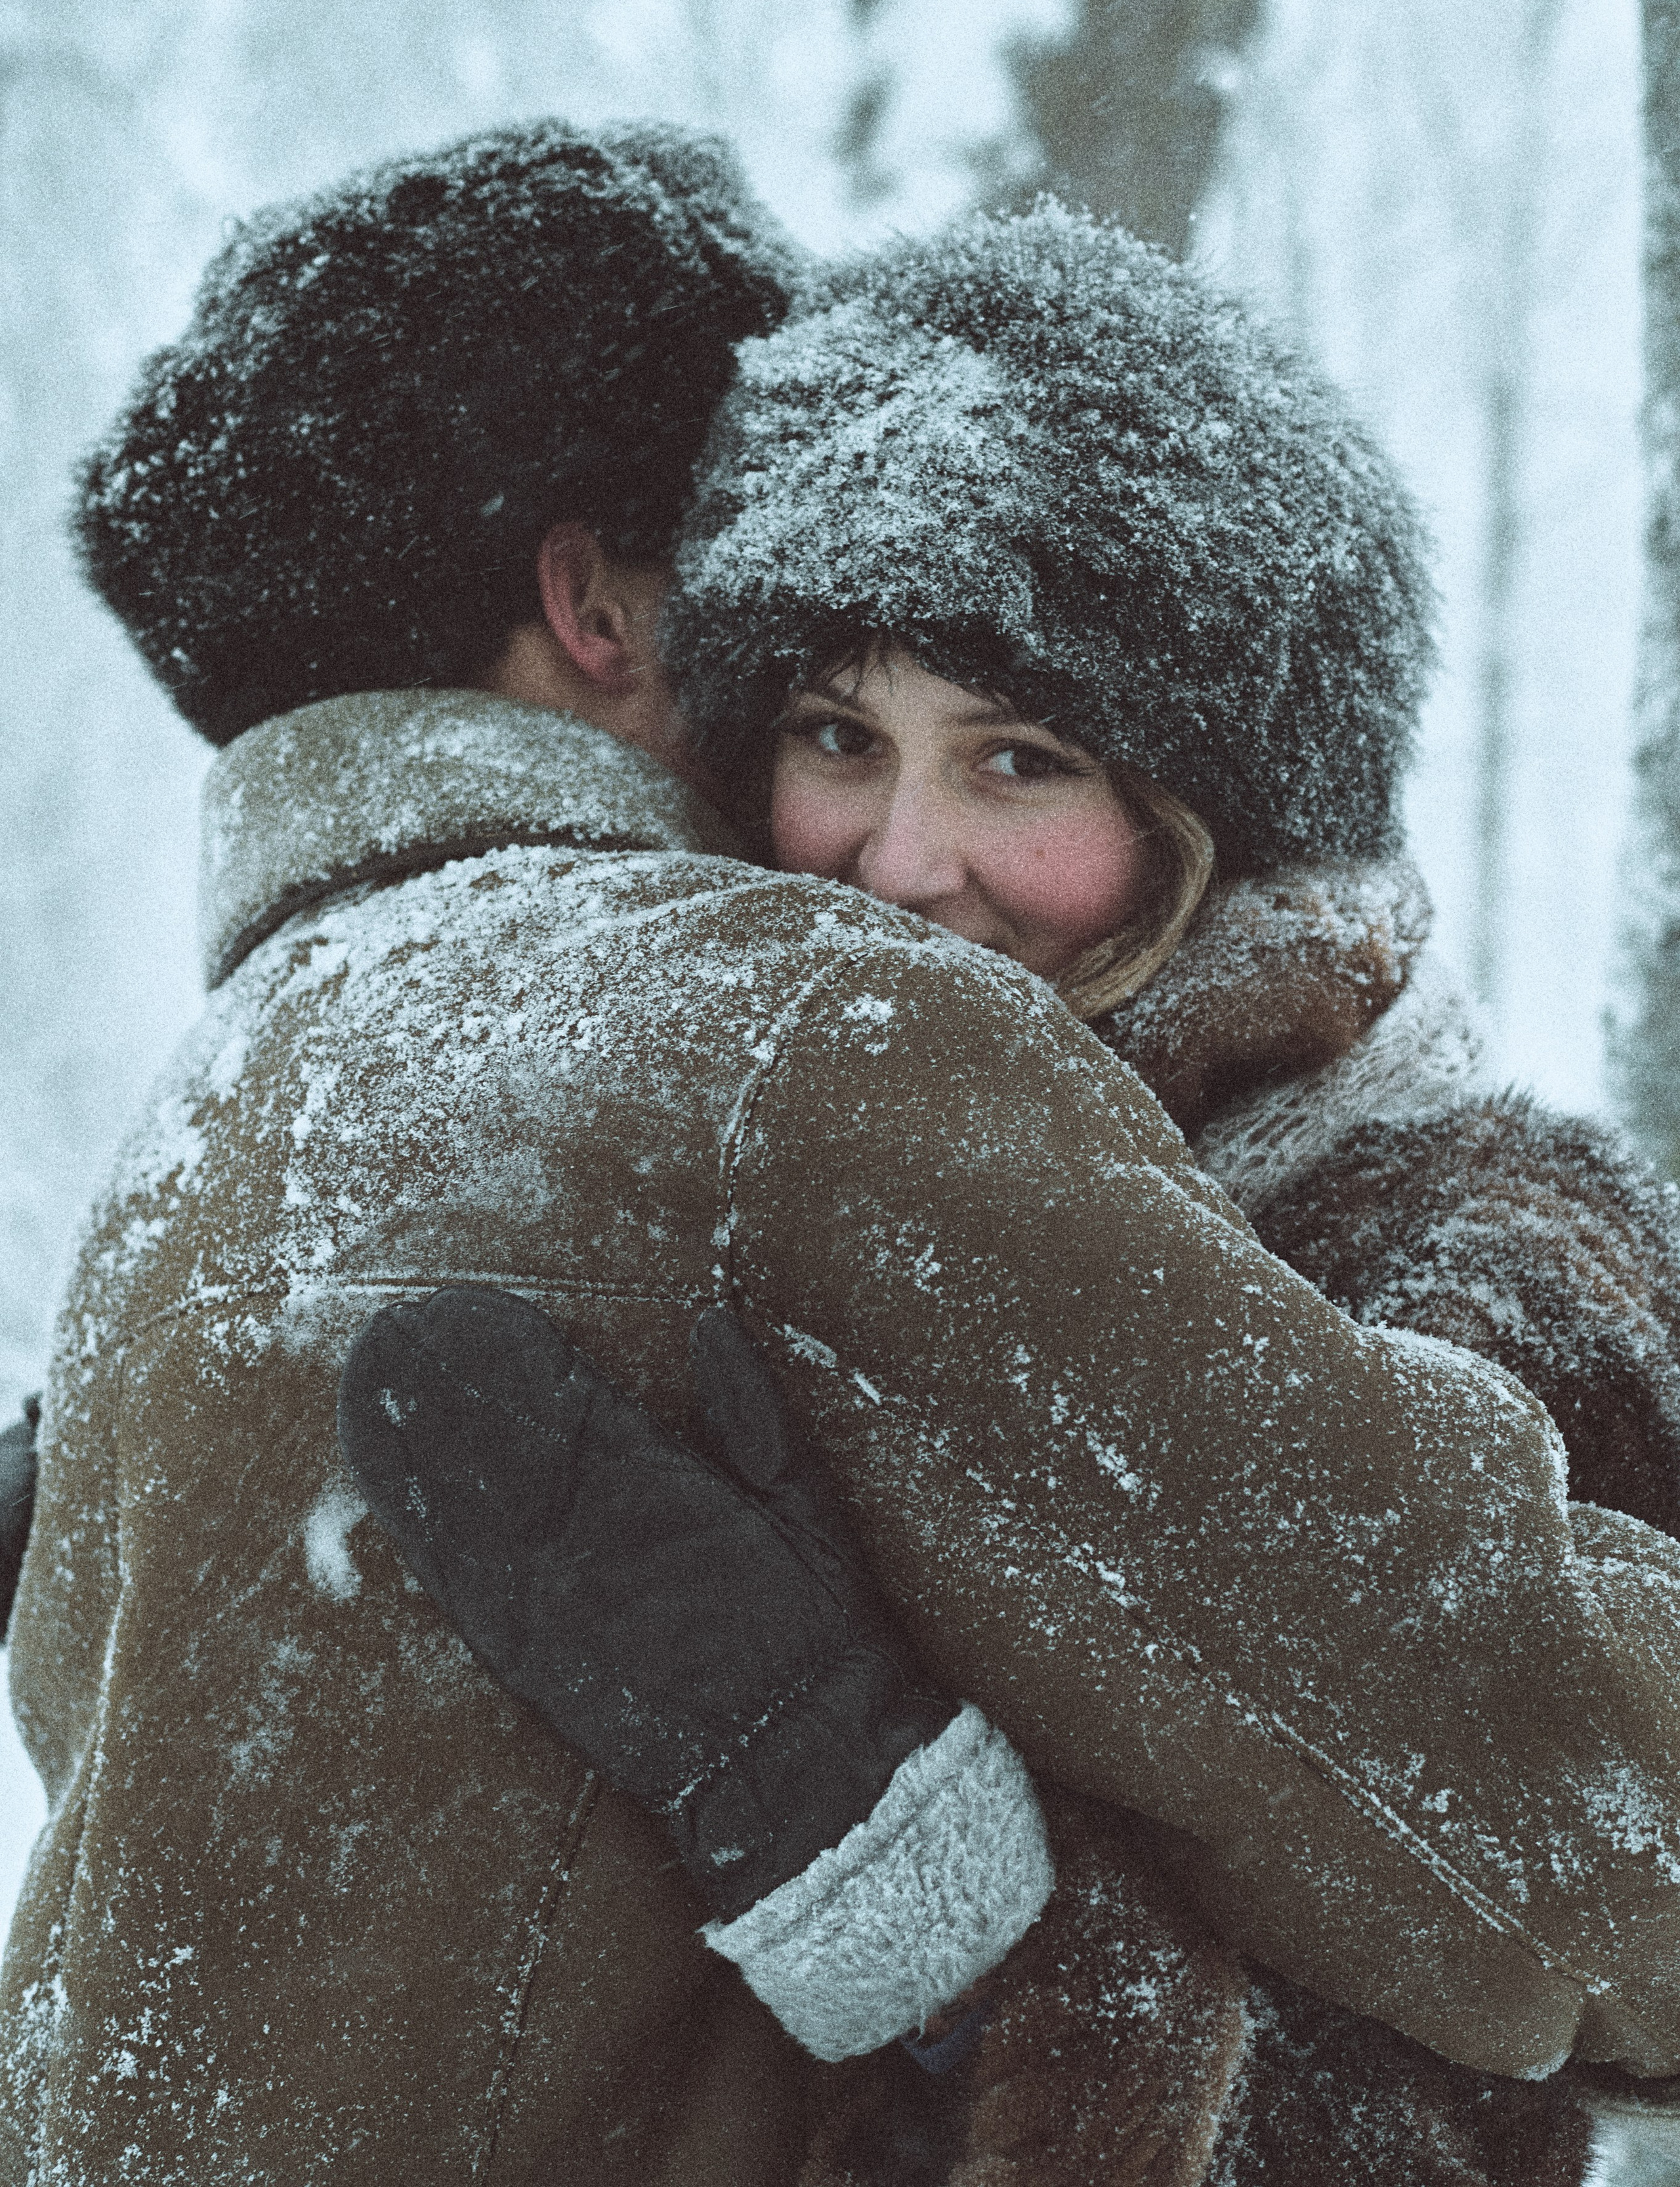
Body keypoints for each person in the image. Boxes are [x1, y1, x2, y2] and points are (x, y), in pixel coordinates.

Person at [10, 140, 1680, 2187]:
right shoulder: (773, 1026)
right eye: (820, 715)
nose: (900, 864)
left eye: (1016, 754)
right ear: (605, 599)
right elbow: (1512, 1763)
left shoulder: (213, 1117)